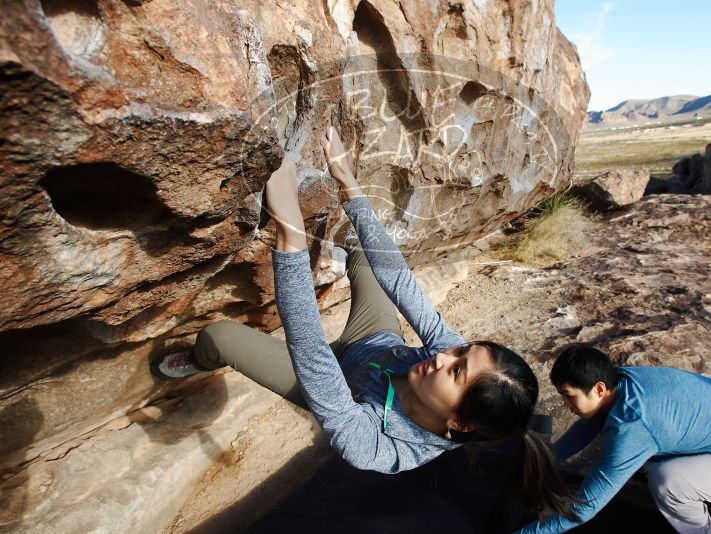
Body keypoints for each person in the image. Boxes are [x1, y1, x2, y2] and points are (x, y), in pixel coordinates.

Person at [151, 125, 573, 517]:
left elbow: (313, 355)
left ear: (459, 424)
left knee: (219, 335)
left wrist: (290, 234)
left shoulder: (379, 449)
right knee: (365, 256)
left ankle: (202, 360)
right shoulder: (448, 355)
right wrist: (347, 181)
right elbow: (398, 278)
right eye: (462, 350)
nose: (445, 356)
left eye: (458, 371)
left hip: (331, 386)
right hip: (374, 340)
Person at [516, 344, 711, 534]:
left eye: (569, 396)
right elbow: (589, 424)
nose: (567, 405)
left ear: (599, 388)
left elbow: (586, 508)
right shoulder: (623, 381)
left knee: (668, 481)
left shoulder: (635, 426)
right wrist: (543, 463)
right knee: (648, 468)